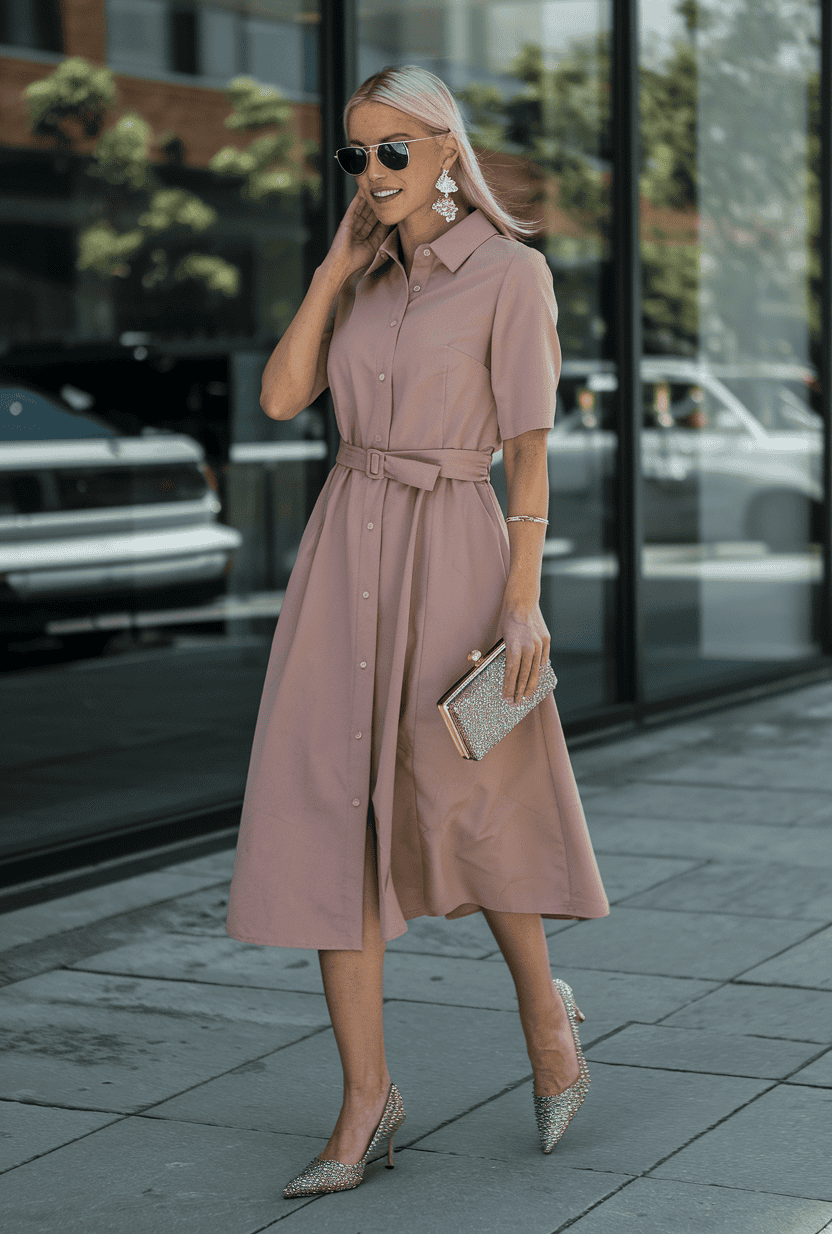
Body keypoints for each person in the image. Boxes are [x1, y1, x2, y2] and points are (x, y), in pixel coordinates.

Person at [225, 63, 610, 1198]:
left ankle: (546, 1016)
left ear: (448, 150)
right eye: (357, 154)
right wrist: (335, 265)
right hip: (345, 546)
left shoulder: (511, 274)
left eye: (396, 149)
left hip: (454, 551)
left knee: (474, 801)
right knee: (332, 813)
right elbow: (284, 398)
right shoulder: (363, 274)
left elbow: (530, 455)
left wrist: (522, 595)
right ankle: (366, 1103)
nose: (374, 172)